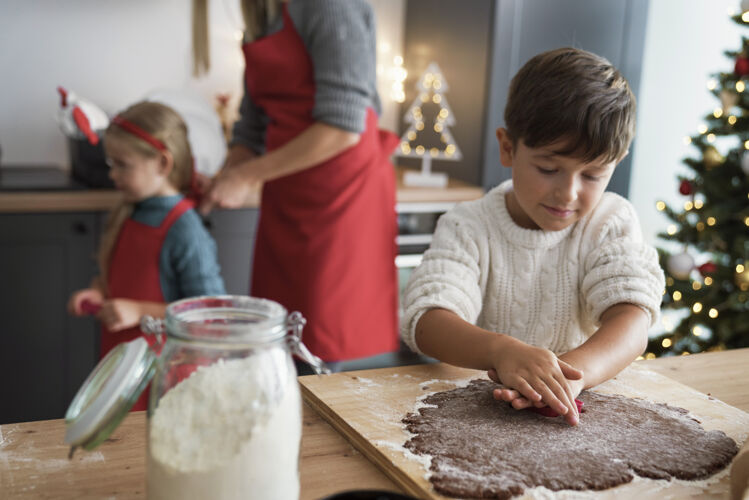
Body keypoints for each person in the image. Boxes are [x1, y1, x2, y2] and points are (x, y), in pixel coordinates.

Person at [401, 47, 665, 426]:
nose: (568, 193)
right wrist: (500, 351)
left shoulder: (609, 220)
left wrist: (568, 377)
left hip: (576, 409)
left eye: (592, 175)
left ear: (616, 163)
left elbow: (632, 320)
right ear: (508, 148)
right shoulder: (469, 224)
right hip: (481, 413)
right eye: (548, 168)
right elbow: (426, 320)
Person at [195, 0, 400, 371]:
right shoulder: (263, 13)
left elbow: (343, 126)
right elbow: (252, 125)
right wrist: (227, 174)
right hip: (288, 193)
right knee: (279, 335)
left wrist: (246, 176)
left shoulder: (330, 6)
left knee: (321, 340)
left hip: (341, 195)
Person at [68, 101, 226, 410]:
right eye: (111, 164)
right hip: (122, 364)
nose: (112, 175)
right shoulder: (130, 211)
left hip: (165, 375)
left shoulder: (186, 230)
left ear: (162, 164)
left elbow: (208, 313)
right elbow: (112, 277)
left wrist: (138, 310)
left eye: (122, 165)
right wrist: (96, 292)